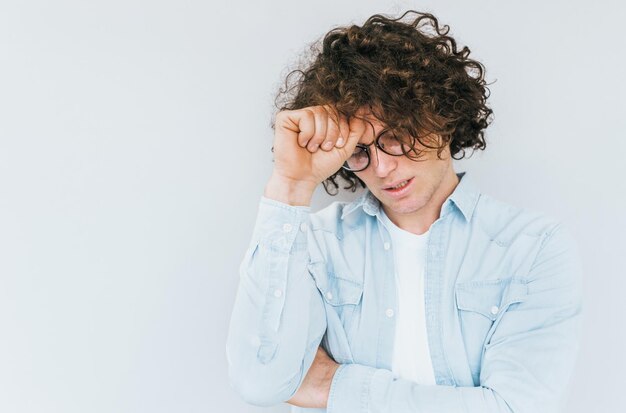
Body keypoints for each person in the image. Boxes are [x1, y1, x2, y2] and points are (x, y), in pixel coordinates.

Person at [226, 10, 583, 413]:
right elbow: (259, 381)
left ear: (443, 118)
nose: (380, 168)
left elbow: (517, 408)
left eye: (396, 137)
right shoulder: (317, 245)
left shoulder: (532, 247)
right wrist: (290, 186)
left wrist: (335, 386)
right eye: (360, 151)